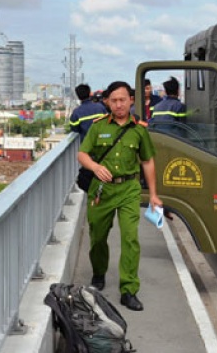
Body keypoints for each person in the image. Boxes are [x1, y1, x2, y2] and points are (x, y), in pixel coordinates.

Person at [77, 81, 162, 312]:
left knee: (130, 238)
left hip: (128, 189)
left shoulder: (139, 129)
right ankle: (98, 273)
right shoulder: (98, 127)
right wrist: (95, 167)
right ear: (107, 102)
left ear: (131, 100)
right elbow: (82, 154)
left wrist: (153, 194)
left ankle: (129, 289)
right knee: (97, 237)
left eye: (122, 99)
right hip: (101, 191)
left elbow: (147, 161)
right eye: (113, 100)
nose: (118, 104)